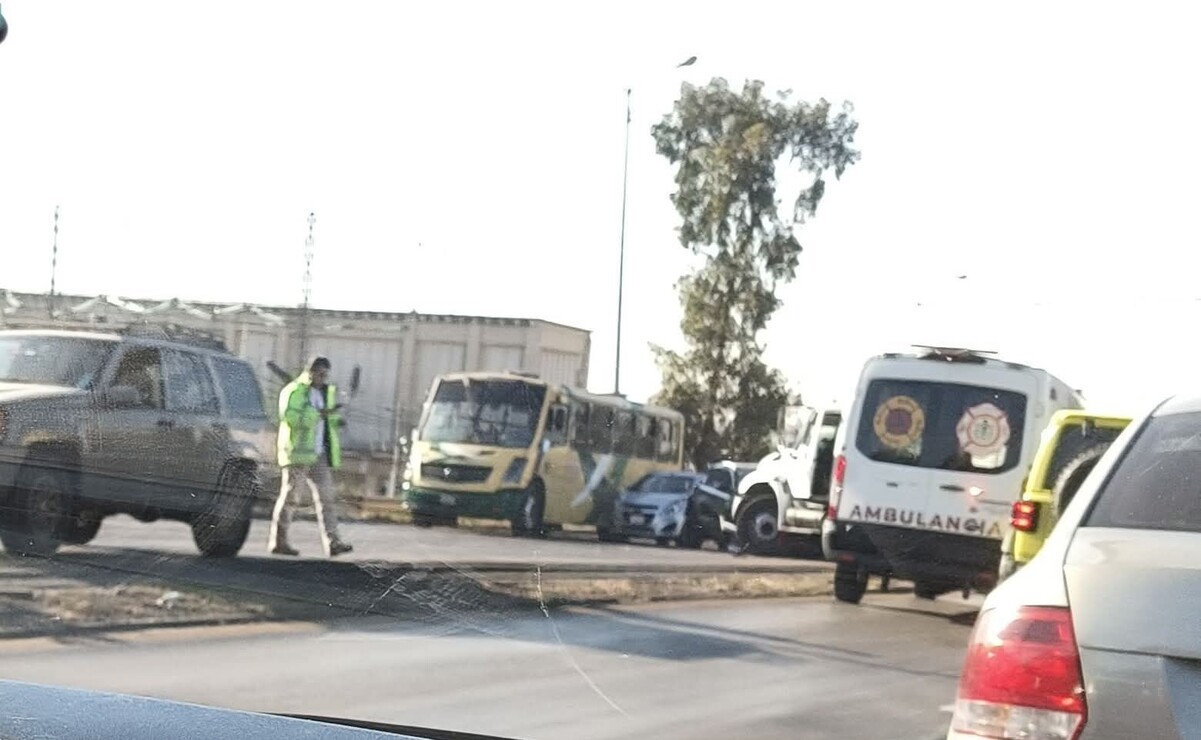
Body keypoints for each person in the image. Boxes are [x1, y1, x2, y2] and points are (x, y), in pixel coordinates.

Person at [268, 356, 353, 557]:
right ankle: (279, 541)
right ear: (310, 372)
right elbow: (291, 418)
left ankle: (333, 542)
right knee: (291, 498)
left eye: (326, 375)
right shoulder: (294, 391)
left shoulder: (323, 393)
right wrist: (318, 414)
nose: (323, 379)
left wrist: (335, 419)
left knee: (327, 498)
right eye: (320, 374)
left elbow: (325, 421)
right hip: (297, 453)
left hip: (317, 453)